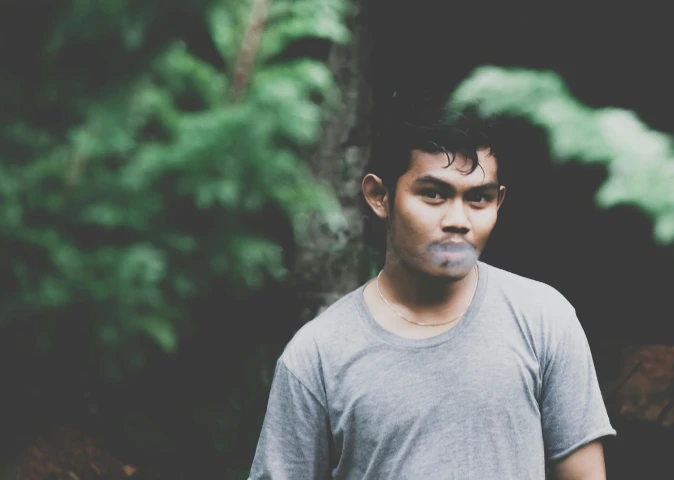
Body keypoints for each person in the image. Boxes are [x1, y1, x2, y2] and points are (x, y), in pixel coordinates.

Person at [248, 92, 616, 480]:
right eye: (433, 193)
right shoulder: (317, 356)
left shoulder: (543, 319)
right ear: (379, 196)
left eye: (478, 198)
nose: (458, 219)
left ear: (498, 203)